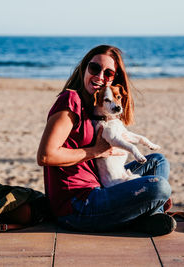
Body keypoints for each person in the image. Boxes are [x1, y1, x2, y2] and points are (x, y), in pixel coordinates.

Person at [37, 45, 176, 236]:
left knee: (157, 161)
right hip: (77, 205)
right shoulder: (70, 100)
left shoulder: (94, 107)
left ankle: (152, 216)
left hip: (100, 185)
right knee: (160, 186)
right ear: (84, 68)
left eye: (108, 73)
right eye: (94, 68)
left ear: (114, 79)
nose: (100, 77)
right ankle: (148, 215)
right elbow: (45, 156)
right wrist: (97, 151)